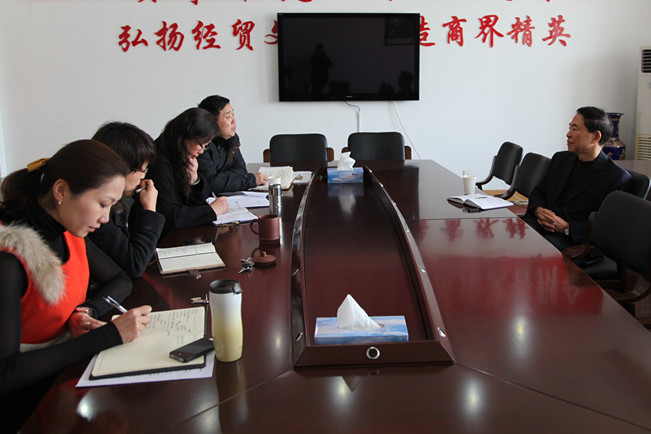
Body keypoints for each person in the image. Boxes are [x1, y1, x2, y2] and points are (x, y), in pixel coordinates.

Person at [0, 141, 153, 431]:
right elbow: (5, 373)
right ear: (61, 191)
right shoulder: (9, 258)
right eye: (102, 204)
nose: (105, 218)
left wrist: (86, 310)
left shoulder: (69, 231)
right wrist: (108, 335)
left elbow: (120, 279)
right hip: (26, 406)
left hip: (62, 377)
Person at [524, 106, 631, 253]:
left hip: (575, 243)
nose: (568, 134)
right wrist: (539, 210)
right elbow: (539, 192)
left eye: (575, 129)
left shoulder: (616, 177)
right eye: (570, 128)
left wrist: (567, 228)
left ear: (595, 137)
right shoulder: (561, 159)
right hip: (540, 227)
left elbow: (609, 227)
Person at [89, 122, 166, 278]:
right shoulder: (98, 212)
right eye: (141, 170)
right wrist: (149, 211)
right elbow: (135, 265)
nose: (143, 176)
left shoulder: (124, 199)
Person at [148, 107, 228, 234]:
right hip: (165, 236)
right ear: (186, 136)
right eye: (201, 145)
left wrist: (195, 180)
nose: (201, 151)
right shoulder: (158, 161)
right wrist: (211, 211)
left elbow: (205, 198)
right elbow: (168, 215)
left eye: (206, 146)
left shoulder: (182, 154)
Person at [197, 95, 267, 194]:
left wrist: (220, 178)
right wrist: (251, 180)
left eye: (233, 115)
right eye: (228, 117)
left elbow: (242, 170)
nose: (234, 121)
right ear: (211, 121)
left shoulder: (231, 139)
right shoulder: (201, 145)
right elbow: (211, 183)